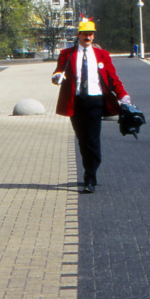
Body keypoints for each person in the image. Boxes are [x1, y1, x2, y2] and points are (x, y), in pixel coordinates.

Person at [52, 19, 131, 194]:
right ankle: (89, 170)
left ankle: (90, 177)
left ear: (93, 35)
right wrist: (57, 77)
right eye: (85, 34)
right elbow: (58, 71)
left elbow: (112, 78)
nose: (88, 37)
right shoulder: (67, 53)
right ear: (78, 35)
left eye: (91, 34)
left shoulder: (102, 55)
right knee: (82, 139)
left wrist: (123, 96)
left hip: (95, 101)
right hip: (76, 101)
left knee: (93, 140)